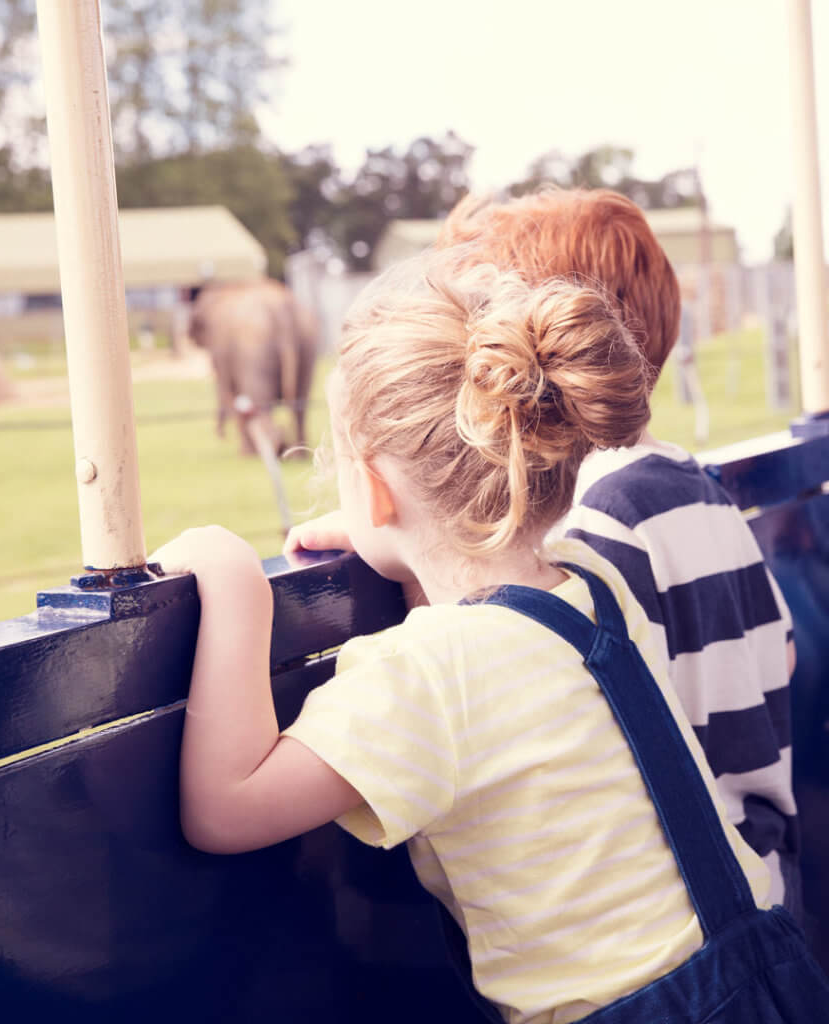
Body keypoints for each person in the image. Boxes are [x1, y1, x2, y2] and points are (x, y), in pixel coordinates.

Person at [152, 251, 829, 1023]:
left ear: (373, 486)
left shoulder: (424, 676)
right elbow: (480, 586)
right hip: (761, 976)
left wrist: (235, 581)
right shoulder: (593, 585)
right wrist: (400, 537)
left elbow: (227, 809)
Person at [287, 187, 800, 917]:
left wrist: (405, 532)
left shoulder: (594, 523)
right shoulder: (693, 484)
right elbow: (778, 653)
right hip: (769, 878)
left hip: (692, 912)